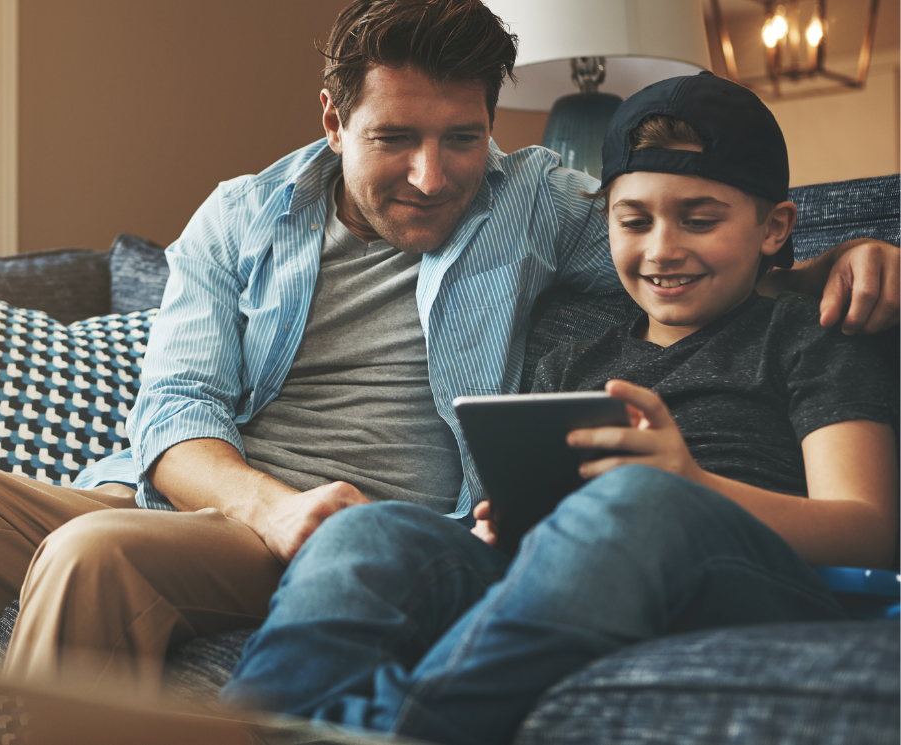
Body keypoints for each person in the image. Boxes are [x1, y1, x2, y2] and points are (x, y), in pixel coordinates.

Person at [0, 0, 896, 699]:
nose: (431, 174)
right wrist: (269, 503)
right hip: (207, 501)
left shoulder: (537, 203)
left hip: (360, 523)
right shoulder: (240, 216)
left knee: (94, 554)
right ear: (333, 119)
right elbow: (177, 414)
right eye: (395, 139)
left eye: (462, 138)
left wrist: (848, 252)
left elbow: (686, 245)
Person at [221, 72, 899, 745]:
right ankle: (241, 728)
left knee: (637, 500)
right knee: (366, 534)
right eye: (634, 221)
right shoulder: (572, 359)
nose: (662, 248)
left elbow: (869, 528)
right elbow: (522, 515)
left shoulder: (807, 335)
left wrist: (693, 485)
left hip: (753, 576)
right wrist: (505, 522)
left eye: (700, 219)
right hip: (576, 577)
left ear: (774, 227)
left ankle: (408, 728)